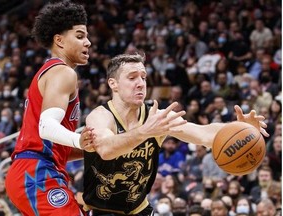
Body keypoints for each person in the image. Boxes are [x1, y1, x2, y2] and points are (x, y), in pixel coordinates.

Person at [83, 53, 268, 215]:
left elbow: (204, 134)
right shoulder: (100, 116)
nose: (140, 84)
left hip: (140, 208)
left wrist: (238, 129)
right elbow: (106, 149)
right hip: (101, 210)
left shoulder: (158, 117)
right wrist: (144, 132)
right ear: (113, 84)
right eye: (132, 78)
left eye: (143, 77)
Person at [5, 1, 94, 215]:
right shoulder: (63, 73)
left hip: (36, 169)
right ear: (59, 41)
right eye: (80, 36)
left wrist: (99, 148)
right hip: (35, 172)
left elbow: (55, 146)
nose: (88, 42)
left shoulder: (51, 72)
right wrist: (78, 139)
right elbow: (47, 128)